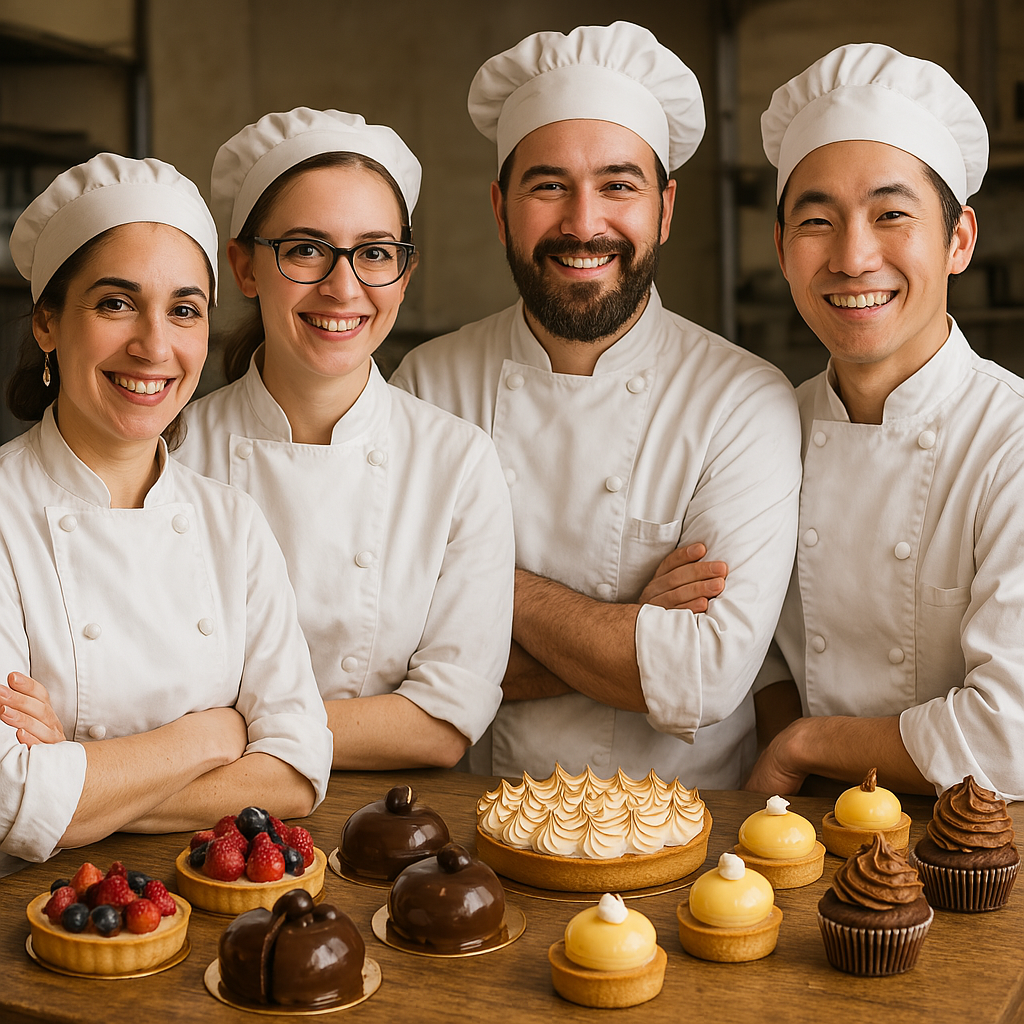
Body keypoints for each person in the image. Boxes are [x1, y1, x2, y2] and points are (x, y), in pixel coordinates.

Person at [392, 22, 802, 786]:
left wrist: (486, 590)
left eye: (618, 185)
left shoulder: (742, 403)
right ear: (499, 206)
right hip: (467, 835)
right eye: (549, 185)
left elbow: (707, 680)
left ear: (665, 209)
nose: (584, 224)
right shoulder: (426, 385)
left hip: (684, 841)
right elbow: (387, 655)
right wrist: (630, 630)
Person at [0, 154, 333, 875]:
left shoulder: (233, 524)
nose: (155, 346)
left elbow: (299, 770)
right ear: (48, 323)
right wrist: (212, 737)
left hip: (217, 909)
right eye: (116, 303)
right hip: (45, 923)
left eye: (184, 309)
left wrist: (76, 779)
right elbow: (8, 792)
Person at [175, 108, 514, 770]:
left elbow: (442, 723)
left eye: (375, 253)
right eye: (305, 249)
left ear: (403, 274)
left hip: (390, 827)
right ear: (244, 268)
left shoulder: (456, 462)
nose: (343, 286)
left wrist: (211, 736)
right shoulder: (174, 451)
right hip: (198, 826)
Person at [747, 43, 1024, 801]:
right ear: (781, 248)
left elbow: (1010, 737)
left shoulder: (1012, 442)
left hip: (978, 858)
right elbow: (754, 649)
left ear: (959, 239)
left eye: (891, 214)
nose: (853, 256)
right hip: (796, 839)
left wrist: (808, 744)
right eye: (817, 221)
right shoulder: (758, 427)